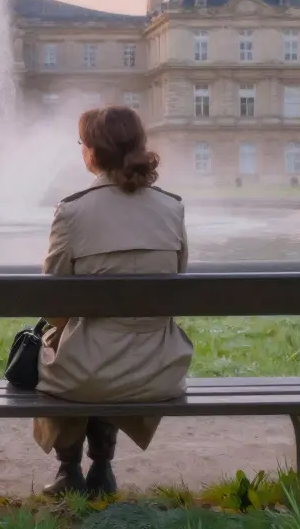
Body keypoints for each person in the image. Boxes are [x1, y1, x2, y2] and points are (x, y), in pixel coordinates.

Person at [34, 105, 192, 498]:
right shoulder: (172, 207)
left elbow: (53, 303)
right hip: (159, 368)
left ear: (91, 152)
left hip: (90, 372)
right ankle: (102, 466)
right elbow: (177, 283)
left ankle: (69, 468)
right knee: (99, 346)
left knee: (66, 347)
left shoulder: (72, 211)